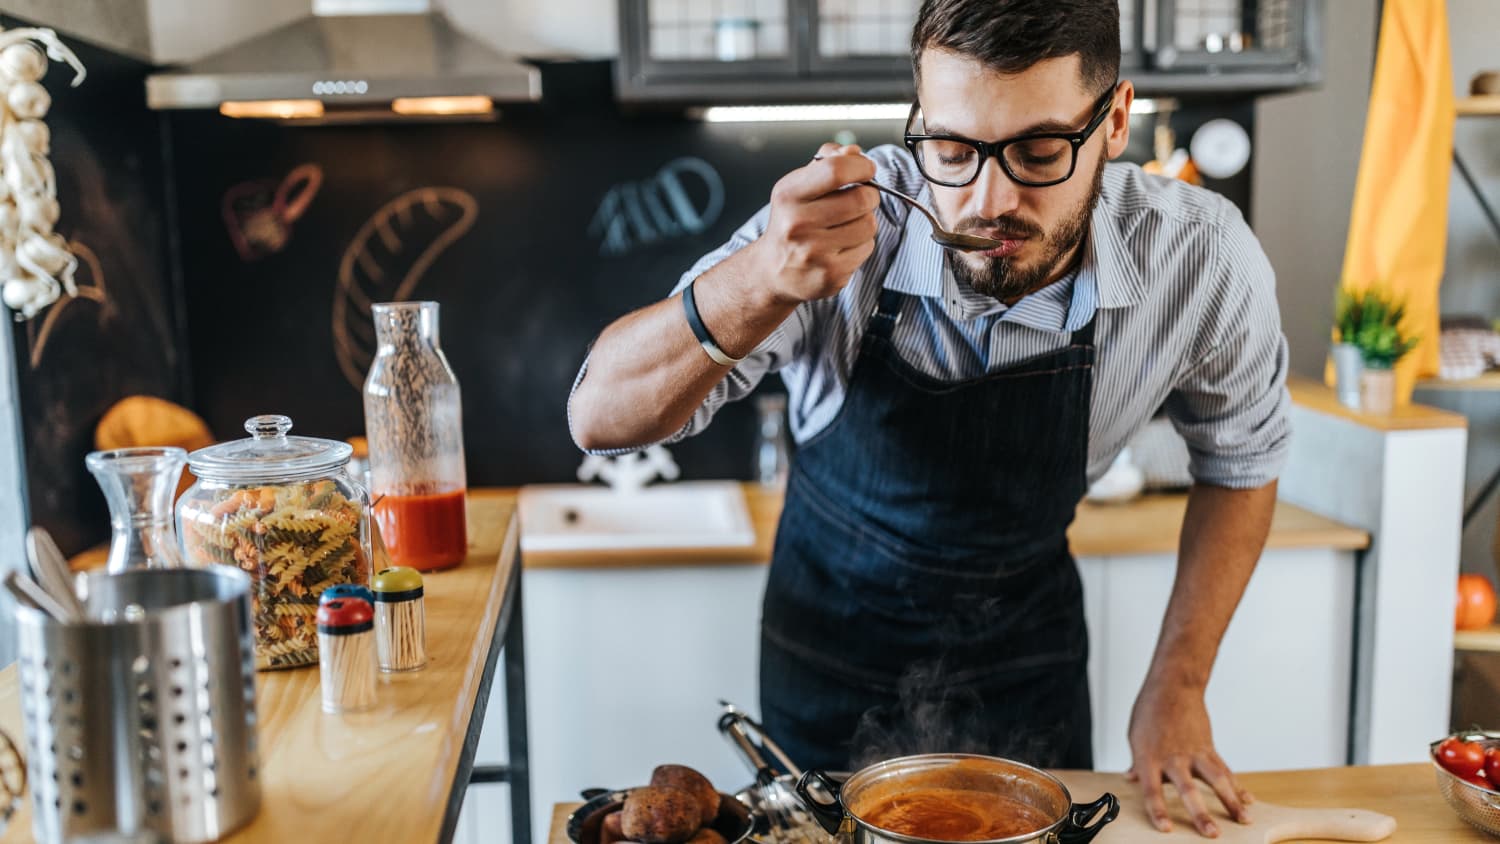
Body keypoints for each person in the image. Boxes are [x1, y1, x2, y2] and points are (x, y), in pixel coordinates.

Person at [568, 0, 1289, 836]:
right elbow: (599, 414)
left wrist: (1181, 681)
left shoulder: (1199, 259)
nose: (988, 199)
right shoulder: (842, 223)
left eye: (1039, 151)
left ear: (1116, 120)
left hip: (1028, 661)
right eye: (951, 149)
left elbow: (1242, 461)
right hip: (830, 653)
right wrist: (759, 278)